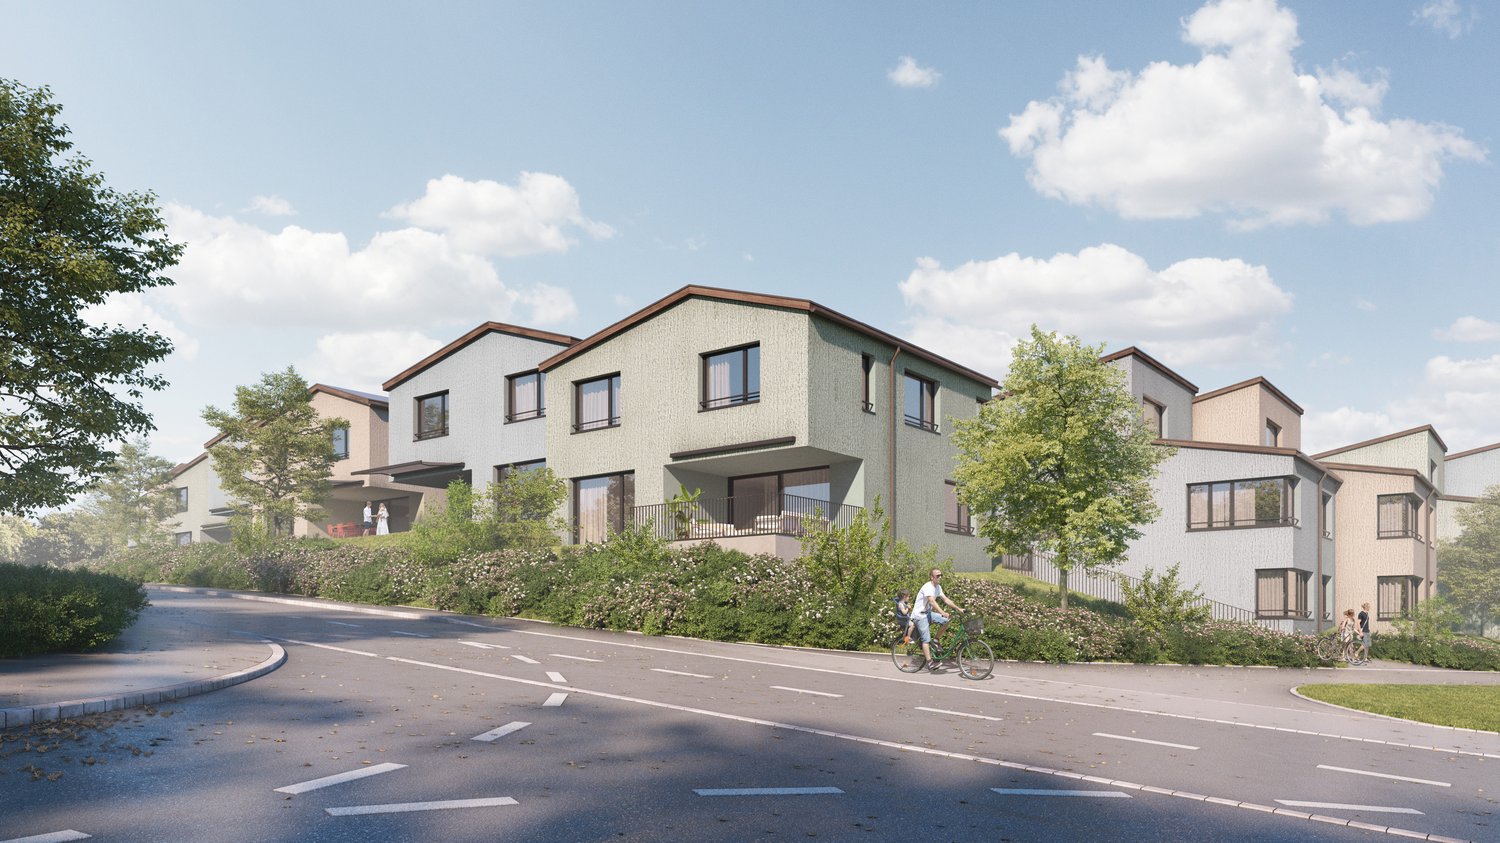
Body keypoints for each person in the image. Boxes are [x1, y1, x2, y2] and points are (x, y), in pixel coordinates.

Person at [911, 568, 963, 672]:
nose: (940, 577)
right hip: (920, 615)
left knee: (946, 621)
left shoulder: (938, 587)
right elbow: (931, 602)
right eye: (937, 576)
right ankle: (930, 662)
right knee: (926, 639)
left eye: (941, 575)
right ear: (932, 577)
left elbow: (946, 599)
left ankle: (936, 641)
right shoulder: (928, 587)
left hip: (928, 614)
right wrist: (942, 612)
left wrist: (958, 608)